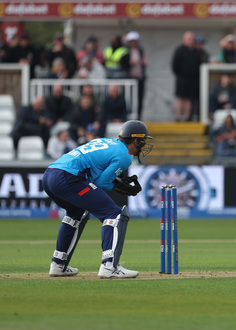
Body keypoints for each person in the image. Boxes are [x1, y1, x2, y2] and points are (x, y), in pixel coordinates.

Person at [43, 120, 153, 278]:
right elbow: (100, 184)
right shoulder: (125, 156)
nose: (144, 146)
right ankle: (110, 266)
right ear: (136, 140)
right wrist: (116, 186)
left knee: (76, 213)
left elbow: (93, 178)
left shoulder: (105, 141)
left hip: (50, 174)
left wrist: (115, 183)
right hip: (69, 177)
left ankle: (58, 264)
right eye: (143, 141)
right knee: (114, 213)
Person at [172, 31, 202, 122]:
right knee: (180, 98)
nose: (190, 41)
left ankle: (187, 117)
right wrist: (178, 74)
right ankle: (177, 117)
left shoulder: (196, 51)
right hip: (182, 78)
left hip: (193, 79)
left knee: (189, 99)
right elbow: (174, 64)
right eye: (189, 39)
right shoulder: (179, 50)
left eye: (192, 39)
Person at [120, 31, 147, 119]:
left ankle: (138, 116)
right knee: (129, 97)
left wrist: (144, 63)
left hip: (140, 77)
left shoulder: (140, 50)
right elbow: (122, 64)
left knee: (140, 98)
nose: (134, 42)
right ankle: (129, 115)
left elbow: (143, 62)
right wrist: (129, 63)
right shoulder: (125, 51)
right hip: (129, 78)